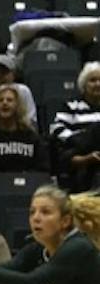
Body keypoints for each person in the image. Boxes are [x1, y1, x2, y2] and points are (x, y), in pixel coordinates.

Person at [0, 82, 48, 179]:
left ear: (18, 106)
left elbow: (42, 168)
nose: (5, 103)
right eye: (0, 100)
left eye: (9, 100)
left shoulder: (32, 137)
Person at [51, 63, 100, 191]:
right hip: (80, 154)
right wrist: (79, 140)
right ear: (84, 84)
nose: (97, 84)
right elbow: (56, 130)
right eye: (92, 80)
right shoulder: (71, 106)